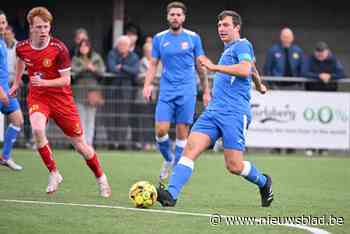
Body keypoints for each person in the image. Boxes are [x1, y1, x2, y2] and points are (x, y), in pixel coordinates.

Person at [156, 10, 273, 208]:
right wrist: (260, 85)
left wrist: (213, 67)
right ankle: (171, 195)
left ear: (236, 27)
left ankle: (264, 182)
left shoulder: (243, 44)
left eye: (226, 25)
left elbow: (245, 69)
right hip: (213, 112)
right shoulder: (229, 49)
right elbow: (251, 68)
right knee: (190, 149)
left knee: (234, 166)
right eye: (219, 25)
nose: (221, 29)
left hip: (234, 113)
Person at [9, 7, 111, 197]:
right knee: (38, 129)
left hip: (62, 100)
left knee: (81, 146)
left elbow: (66, 80)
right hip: (39, 97)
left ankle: (101, 178)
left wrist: (44, 82)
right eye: (38, 27)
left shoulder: (59, 48)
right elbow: (21, 60)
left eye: (46, 26)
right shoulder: (22, 47)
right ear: (31, 27)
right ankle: (54, 173)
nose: (43, 30)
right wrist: (16, 82)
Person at [143, 1, 211, 182]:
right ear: (167, 16)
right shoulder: (159, 38)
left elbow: (201, 66)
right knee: (160, 130)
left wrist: (206, 91)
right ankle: (168, 159)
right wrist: (147, 84)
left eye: (178, 15)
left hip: (187, 91)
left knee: (182, 133)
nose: (175, 17)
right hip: (166, 91)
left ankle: (176, 170)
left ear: (184, 17)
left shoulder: (193, 38)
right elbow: (153, 65)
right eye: (172, 14)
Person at [0, 10, 24, 171]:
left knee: (18, 120)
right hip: (1, 91)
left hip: (5, 88)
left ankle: (5, 157)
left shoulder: (2, 42)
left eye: (3, 22)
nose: (2, 26)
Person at [106, 35, 140, 150]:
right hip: (113, 90)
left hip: (126, 92)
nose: (122, 47)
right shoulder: (112, 53)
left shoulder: (134, 56)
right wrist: (126, 70)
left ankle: (121, 142)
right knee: (111, 117)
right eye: (120, 44)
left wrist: (122, 67)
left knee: (124, 118)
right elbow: (112, 69)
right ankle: (111, 142)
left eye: (125, 45)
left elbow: (135, 71)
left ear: (129, 46)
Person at [72, 39, 106, 146]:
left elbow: (102, 71)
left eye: (86, 46)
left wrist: (93, 69)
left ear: (89, 47)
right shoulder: (75, 58)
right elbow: (72, 70)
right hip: (79, 92)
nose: (84, 48)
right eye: (81, 46)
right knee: (81, 119)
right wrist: (84, 68)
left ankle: (89, 143)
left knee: (91, 119)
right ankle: (82, 143)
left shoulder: (96, 58)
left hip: (93, 92)